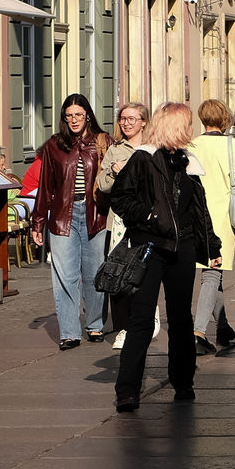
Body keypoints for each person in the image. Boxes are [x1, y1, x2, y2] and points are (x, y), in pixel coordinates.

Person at [108, 102, 222, 410]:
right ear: (173, 126)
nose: (191, 130)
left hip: (182, 248)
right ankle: (127, 391)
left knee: (181, 318)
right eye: (186, 124)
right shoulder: (144, 159)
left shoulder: (188, 161)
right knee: (141, 319)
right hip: (149, 247)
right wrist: (146, 215)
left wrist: (212, 247)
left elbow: (200, 210)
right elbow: (120, 197)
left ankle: (183, 381)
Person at [33, 94, 111, 350]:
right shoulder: (54, 145)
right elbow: (45, 187)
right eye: (69, 115)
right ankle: (69, 332)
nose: (74, 120)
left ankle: (95, 325)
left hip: (95, 214)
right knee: (65, 276)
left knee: (93, 274)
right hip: (62, 216)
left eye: (78, 114)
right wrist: (38, 222)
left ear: (87, 114)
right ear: (64, 118)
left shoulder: (103, 142)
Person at [189, 98, 235, 354]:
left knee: (214, 274)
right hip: (220, 217)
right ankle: (199, 331)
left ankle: (222, 325)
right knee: (212, 273)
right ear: (225, 119)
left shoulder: (191, 145)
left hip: (194, 215)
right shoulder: (233, 146)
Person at [99, 102, 155, 348]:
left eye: (132, 118)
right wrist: (112, 171)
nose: (126, 123)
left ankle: (144, 320)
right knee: (118, 272)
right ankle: (122, 327)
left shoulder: (153, 148)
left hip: (147, 222)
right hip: (120, 222)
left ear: (143, 121)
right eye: (123, 118)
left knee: (143, 274)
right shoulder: (115, 150)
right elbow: (102, 185)